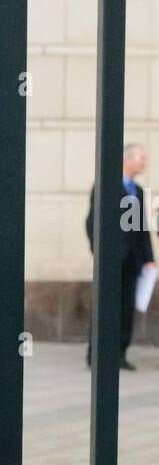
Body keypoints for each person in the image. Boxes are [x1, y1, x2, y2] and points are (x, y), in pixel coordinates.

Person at [85, 142, 155, 370]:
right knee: (105, 306)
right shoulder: (107, 186)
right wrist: (101, 253)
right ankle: (95, 354)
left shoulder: (137, 190)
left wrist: (148, 258)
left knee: (126, 307)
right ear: (127, 159)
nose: (144, 162)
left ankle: (119, 353)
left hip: (132, 262)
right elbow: (92, 222)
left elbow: (141, 228)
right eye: (141, 158)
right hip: (111, 261)